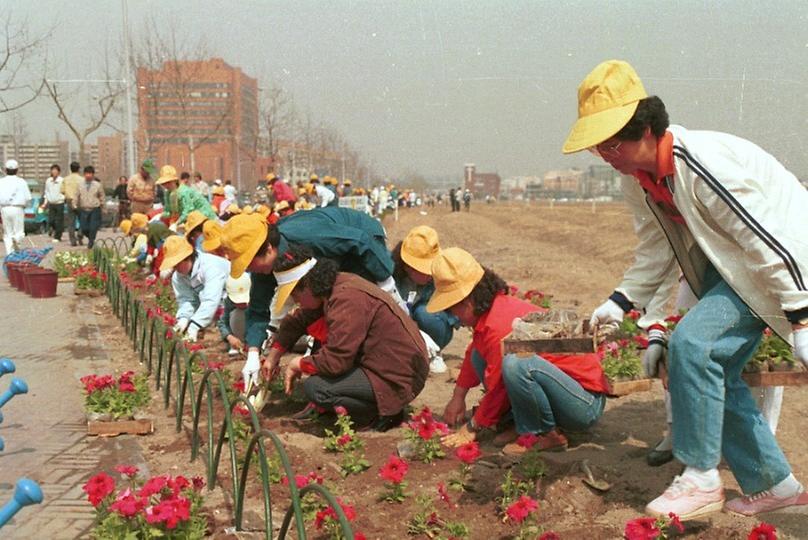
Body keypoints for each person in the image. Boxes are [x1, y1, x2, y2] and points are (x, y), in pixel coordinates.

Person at [563, 59, 808, 519]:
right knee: (712, 366)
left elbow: (765, 237)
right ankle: (776, 485)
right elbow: (656, 247)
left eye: (611, 143)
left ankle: (699, 476)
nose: (606, 156)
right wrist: (621, 301)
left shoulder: (701, 163)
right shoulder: (639, 181)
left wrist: (801, 315)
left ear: (648, 129)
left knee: (694, 345)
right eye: (598, 148)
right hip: (735, 266)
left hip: (787, 260)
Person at [433, 248, 608, 455]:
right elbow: (476, 350)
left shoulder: (499, 325)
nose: (453, 317)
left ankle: (542, 434)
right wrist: (458, 397)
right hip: (563, 391)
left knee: (517, 364)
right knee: (479, 355)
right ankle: (520, 424)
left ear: (467, 302)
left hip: (583, 403)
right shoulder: (492, 313)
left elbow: (499, 385)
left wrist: (472, 427)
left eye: (451, 309)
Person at [219, 206, 403, 389]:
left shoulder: (309, 236)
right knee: (318, 304)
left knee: (351, 304)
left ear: (268, 249)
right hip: (335, 254)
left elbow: (361, 241)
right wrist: (253, 353)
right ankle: (335, 362)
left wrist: (386, 285)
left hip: (359, 242)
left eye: (249, 263)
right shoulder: (262, 267)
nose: (249, 270)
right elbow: (258, 310)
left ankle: (378, 367)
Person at [261, 249, 429, 431]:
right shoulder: (332, 287)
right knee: (319, 370)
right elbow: (298, 320)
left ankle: (381, 414)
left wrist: (299, 363)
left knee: (317, 388)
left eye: (295, 295)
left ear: (307, 286)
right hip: (386, 363)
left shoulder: (346, 299)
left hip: (398, 374)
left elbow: (336, 360)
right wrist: (273, 357)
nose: (296, 302)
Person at [392, 226, 458, 373]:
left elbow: (458, 304)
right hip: (400, 331)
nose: (430, 275)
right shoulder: (389, 278)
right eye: (425, 270)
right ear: (408, 267)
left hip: (434, 326)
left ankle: (434, 353)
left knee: (426, 313)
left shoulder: (439, 277)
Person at [160, 235, 229, 342]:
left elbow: (211, 299)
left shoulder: (210, 266)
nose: (175, 268)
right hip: (217, 309)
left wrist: (195, 325)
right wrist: (183, 319)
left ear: (187, 257)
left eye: (177, 263)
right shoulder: (178, 277)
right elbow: (186, 299)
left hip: (236, 302)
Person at [0, 159, 32, 254]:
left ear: (6, 170)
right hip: (18, 208)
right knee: (18, 232)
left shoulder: (1, 182)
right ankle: (17, 244)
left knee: (7, 233)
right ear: (17, 170)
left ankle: (9, 253)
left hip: (4, 209)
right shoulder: (21, 182)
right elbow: (28, 198)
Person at [217, 272, 251, 356]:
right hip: (240, 332)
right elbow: (222, 322)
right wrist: (229, 337)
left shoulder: (258, 297)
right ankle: (239, 344)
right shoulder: (228, 302)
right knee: (237, 313)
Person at [75, 166, 105, 249]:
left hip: (94, 208)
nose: (88, 175)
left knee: (93, 227)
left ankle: (91, 241)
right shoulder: (80, 185)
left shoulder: (97, 185)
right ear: (84, 174)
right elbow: (76, 195)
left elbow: (102, 196)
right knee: (84, 228)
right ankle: (90, 237)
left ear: (93, 175)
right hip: (83, 208)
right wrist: (74, 205)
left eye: (90, 173)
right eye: (87, 173)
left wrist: (103, 207)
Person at [61, 161, 83, 246]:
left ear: (70, 169)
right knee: (82, 220)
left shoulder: (65, 179)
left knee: (71, 222)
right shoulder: (82, 179)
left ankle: (72, 240)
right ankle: (80, 234)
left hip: (69, 200)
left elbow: (62, 191)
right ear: (79, 169)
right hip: (80, 201)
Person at [43, 164, 65, 243]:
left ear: (59, 172)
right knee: (51, 220)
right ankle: (56, 231)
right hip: (51, 203)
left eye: (55, 171)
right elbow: (46, 192)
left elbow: (64, 191)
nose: (54, 172)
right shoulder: (48, 181)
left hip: (60, 202)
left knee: (59, 220)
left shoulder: (62, 180)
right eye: (52, 170)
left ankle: (58, 236)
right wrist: (45, 203)